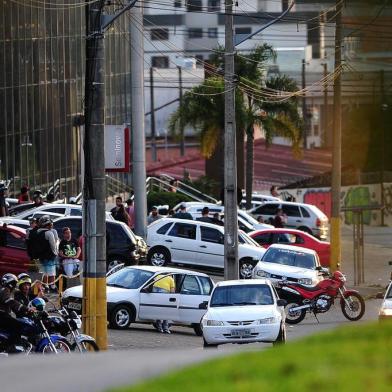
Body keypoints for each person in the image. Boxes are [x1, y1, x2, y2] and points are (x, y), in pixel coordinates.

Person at [0, 273, 34, 349]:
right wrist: (26, 308)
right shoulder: (5, 290)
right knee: (18, 325)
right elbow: (10, 301)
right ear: (10, 283)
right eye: (14, 283)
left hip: (4, 315)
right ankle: (15, 345)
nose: (15, 285)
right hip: (2, 315)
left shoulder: (4, 290)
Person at [36, 215, 59, 292]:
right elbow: (53, 245)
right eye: (50, 224)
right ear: (47, 225)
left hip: (41, 256)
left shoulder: (38, 232)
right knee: (51, 272)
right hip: (49, 256)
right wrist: (55, 254)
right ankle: (52, 286)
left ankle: (45, 286)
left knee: (43, 272)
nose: (52, 225)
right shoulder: (49, 233)